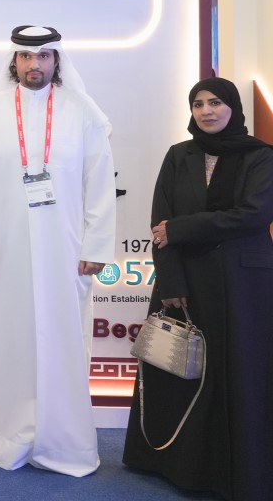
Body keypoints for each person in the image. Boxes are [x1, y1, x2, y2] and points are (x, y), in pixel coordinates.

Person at [0, 25, 116, 477]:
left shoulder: (81, 110)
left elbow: (99, 182)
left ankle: (62, 438)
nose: (35, 64)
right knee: (9, 336)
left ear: (57, 61)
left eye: (44, 56)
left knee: (62, 337)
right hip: (5, 245)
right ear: (14, 62)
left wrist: (97, 244)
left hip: (66, 248)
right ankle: (4, 432)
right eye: (27, 57)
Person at [123, 78, 273, 501]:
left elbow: (253, 214)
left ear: (233, 107)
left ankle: (240, 470)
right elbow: (160, 223)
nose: (206, 111)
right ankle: (177, 464)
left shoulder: (261, 156)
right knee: (180, 373)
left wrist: (181, 228)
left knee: (240, 376)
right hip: (185, 282)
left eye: (216, 102)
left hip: (244, 287)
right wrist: (170, 280)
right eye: (198, 104)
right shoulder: (179, 156)